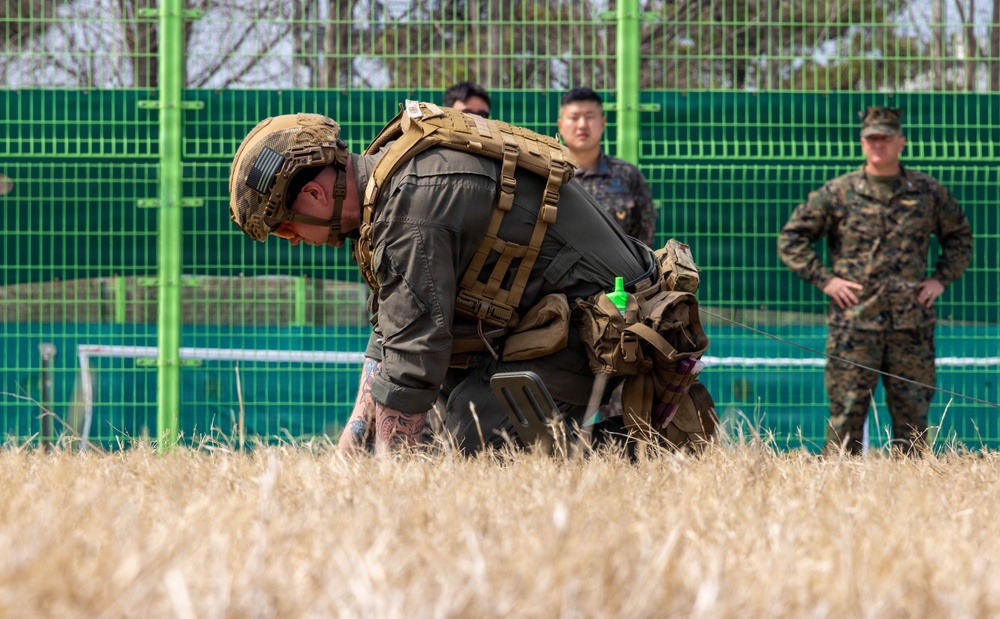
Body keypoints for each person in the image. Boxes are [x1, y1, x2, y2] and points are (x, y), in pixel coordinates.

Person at [228, 107, 691, 456]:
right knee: (432, 425)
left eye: (286, 227)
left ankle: (654, 448)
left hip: (613, 322)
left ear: (314, 193)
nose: (291, 242)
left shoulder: (409, 211)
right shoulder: (384, 189)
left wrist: (392, 492)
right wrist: (350, 450)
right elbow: (391, 334)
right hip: (551, 314)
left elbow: (412, 359)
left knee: (467, 443)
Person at [778, 106, 973, 455]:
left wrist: (940, 280)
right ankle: (838, 497)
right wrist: (826, 281)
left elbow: (960, 237)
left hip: (910, 326)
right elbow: (791, 238)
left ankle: (912, 500)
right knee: (846, 420)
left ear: (902, 142)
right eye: (872, 138)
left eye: (886, 138)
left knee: (913, 424)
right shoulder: (839, 192)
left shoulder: (927, 192)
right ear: (862, 143)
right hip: (854, 326)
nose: (878, 144)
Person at [556, 87, 657, 247]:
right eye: (574, 117)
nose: (582, 125)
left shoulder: (628, 175)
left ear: (602, 123)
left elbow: (644, 239)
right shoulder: (549, 174)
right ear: (560, 126)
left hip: (617, 271)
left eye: (590, 117)